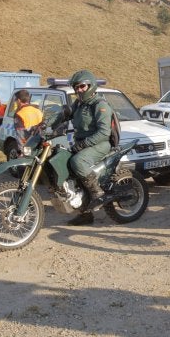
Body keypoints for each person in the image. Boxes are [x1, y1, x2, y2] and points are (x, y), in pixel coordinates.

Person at [67, 70, 114, 226]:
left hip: (100, 143)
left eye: (82, 86)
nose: (79, 90)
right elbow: (64, 115)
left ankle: (97, 193)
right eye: (76, 87)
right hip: (82, 143)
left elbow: (104, 132)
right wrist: (46, 125)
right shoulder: (78, 104)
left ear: (91, 86)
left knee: (78, 162)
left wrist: (84, 144)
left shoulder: (100, 105)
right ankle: (85, 214)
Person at [13, 89, 43, 155]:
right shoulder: (38, 111)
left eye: (15, 100)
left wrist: (21, 152)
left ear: (18, 100)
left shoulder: (19, 114)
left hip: (27, 148)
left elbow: (20, 136)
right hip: (39, 146)